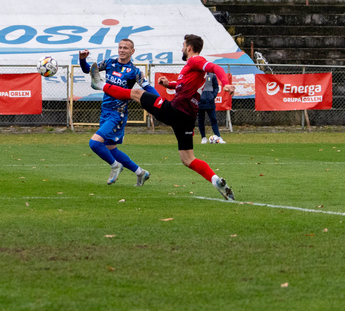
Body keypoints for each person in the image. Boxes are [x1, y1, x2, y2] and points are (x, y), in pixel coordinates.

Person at [99, 34, 237, 201]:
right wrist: (168, 85)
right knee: (188, 159)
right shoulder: (194, 71)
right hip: (187, 118)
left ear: (189, 48)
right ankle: (215, 179)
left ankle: (100, 85)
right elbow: (183, 86)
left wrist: (225, 82)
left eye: (183, 45)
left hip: (175, 111)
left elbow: (216, 68)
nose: (181, 48)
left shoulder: (195, 60)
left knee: (136, 93)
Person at [80, 39, 158, 186]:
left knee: (94, 143)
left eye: (126, 48)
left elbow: (149, 88)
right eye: (120, 47)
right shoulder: (110, 63)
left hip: (118, 113)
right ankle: (141, 173)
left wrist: (158, 102)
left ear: (132, 51)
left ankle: (115, 166)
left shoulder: (134, 71)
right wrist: (82, 60)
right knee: (111, 149)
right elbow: (88, 70)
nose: (122, 50)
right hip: (105, 111)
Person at [198, 72, 226, 144]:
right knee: (201, 120)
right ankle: (203, 138)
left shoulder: (212, 75)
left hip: (210, 101)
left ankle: (218, 137)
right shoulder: (197, 75)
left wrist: (213, 96)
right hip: (200, 101)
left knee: (213, 119)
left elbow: (216, 87)